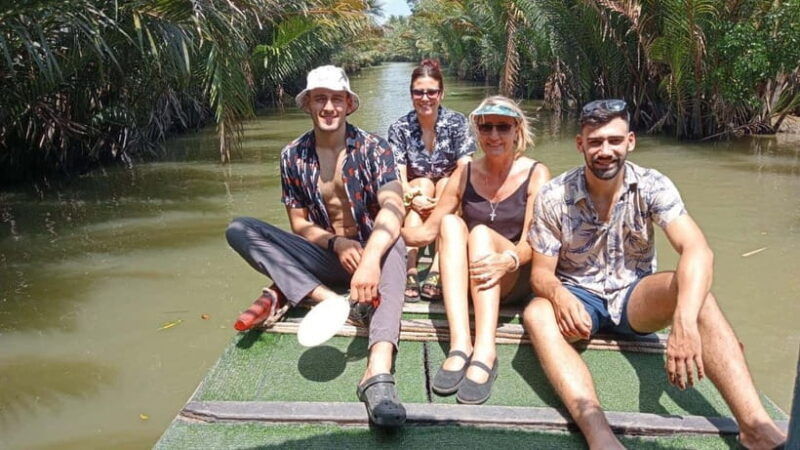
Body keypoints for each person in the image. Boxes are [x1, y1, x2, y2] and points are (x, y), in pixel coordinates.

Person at [524, 99, 787, 449]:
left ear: (630, 141)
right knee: (536, 312)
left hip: (635, 295)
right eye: (596, 141)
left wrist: (684, 323)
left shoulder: (652, 185)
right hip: (579, 297)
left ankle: (756, 427)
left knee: (696, 293)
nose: (606, 151)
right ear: (580, 145)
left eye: (614, 141)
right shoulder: (554, 195)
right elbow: (541, 275)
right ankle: (599, 435)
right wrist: (558, 295)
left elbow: (697, 249)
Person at [225, 65, 407, 428]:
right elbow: (299, 224)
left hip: (374, 251)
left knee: (394, 238)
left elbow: (393, 206)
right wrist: (336, 242)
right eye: (320, 99)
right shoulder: (292, 155)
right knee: (240, 229)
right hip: (325, 255)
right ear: (308, 104)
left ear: (348, 105)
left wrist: (370, 258)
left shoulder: (375, 148)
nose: (328, 107)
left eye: (336, 99)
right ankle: (332, 301)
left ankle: (378, 371)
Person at [402, 96, 550, 404]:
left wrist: (507, 261)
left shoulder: (536, 174)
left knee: (481, 233)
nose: (494, 136)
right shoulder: (466, 172)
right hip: (472, 277)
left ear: (516, 130)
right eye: (486, 127)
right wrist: (378, 237)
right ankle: (460, 345)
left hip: (511, 275)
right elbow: (426, 232)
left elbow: (532, 242)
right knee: (451, 226)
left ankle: (486, 350)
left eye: (502, 127)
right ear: (477, 131)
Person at [388, 59, 476, 303]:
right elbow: (399, 173)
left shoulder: (457, 123)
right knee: (422, 184)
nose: (425, 98)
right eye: (418, 92)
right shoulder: (400, 128)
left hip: (449, 192)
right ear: (411, 94)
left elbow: (465, 167)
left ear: (441, 93)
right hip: (417, 193)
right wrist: (414, 196)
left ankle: (437, 267)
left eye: (431, 92)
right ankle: (411, 268)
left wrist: (442, 201)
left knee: (447, 183)